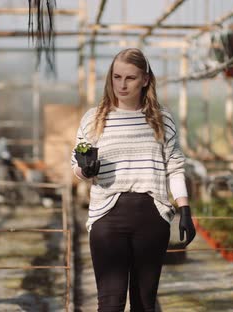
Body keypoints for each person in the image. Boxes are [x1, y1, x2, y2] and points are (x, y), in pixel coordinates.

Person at [70, 48, 196, 312]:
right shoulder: (94, 119)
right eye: (117, 77)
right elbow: (77, 164)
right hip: (107, 216)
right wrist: (86, 170)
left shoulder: (162, 119)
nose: (122, 85)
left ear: (145, 80)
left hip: (151, 216)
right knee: (110, 303)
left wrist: (184, 209)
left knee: (144, 303)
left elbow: (174, 166)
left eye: (130, 78)